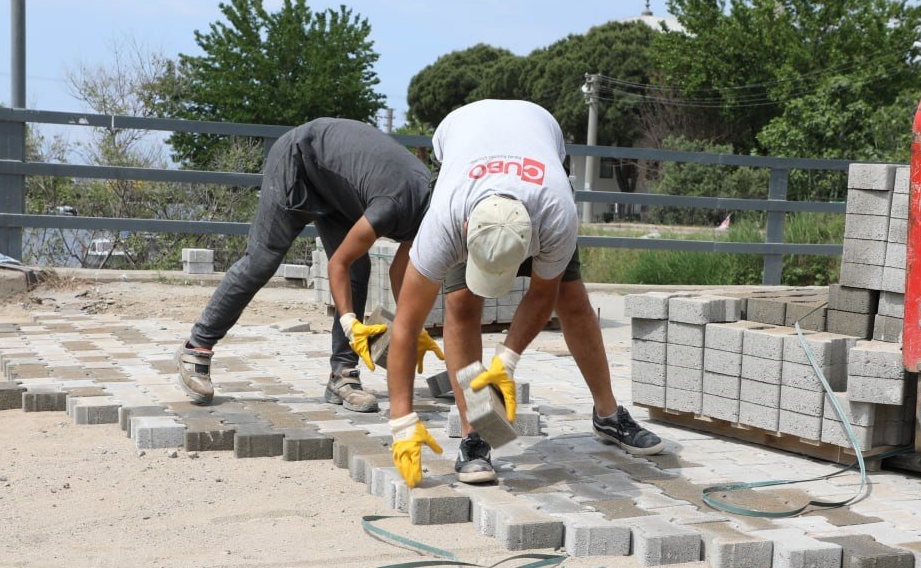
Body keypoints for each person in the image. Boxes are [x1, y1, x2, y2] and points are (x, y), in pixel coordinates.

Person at [385, 99, 663, 488]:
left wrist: (506, 362)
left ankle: (608, 414)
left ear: (532, 237)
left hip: (539, 145)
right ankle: (475, 436)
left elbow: (541, 293)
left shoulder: (556, 214)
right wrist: (402, 423)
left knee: (572, 299)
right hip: (461, 145)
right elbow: (404, 326)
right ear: (465, 230)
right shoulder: (445, 220)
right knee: (462, 303)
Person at [176, 118, 443, 410]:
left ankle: (341, 375)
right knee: (263, 260)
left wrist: (411, 326)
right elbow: (337, 264)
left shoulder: (433, 207)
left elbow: (401, 271)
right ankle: (196, 349)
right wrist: (350, 323)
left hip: (338, 187)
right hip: (299, 160)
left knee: (359, 270)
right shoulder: (394, 205)